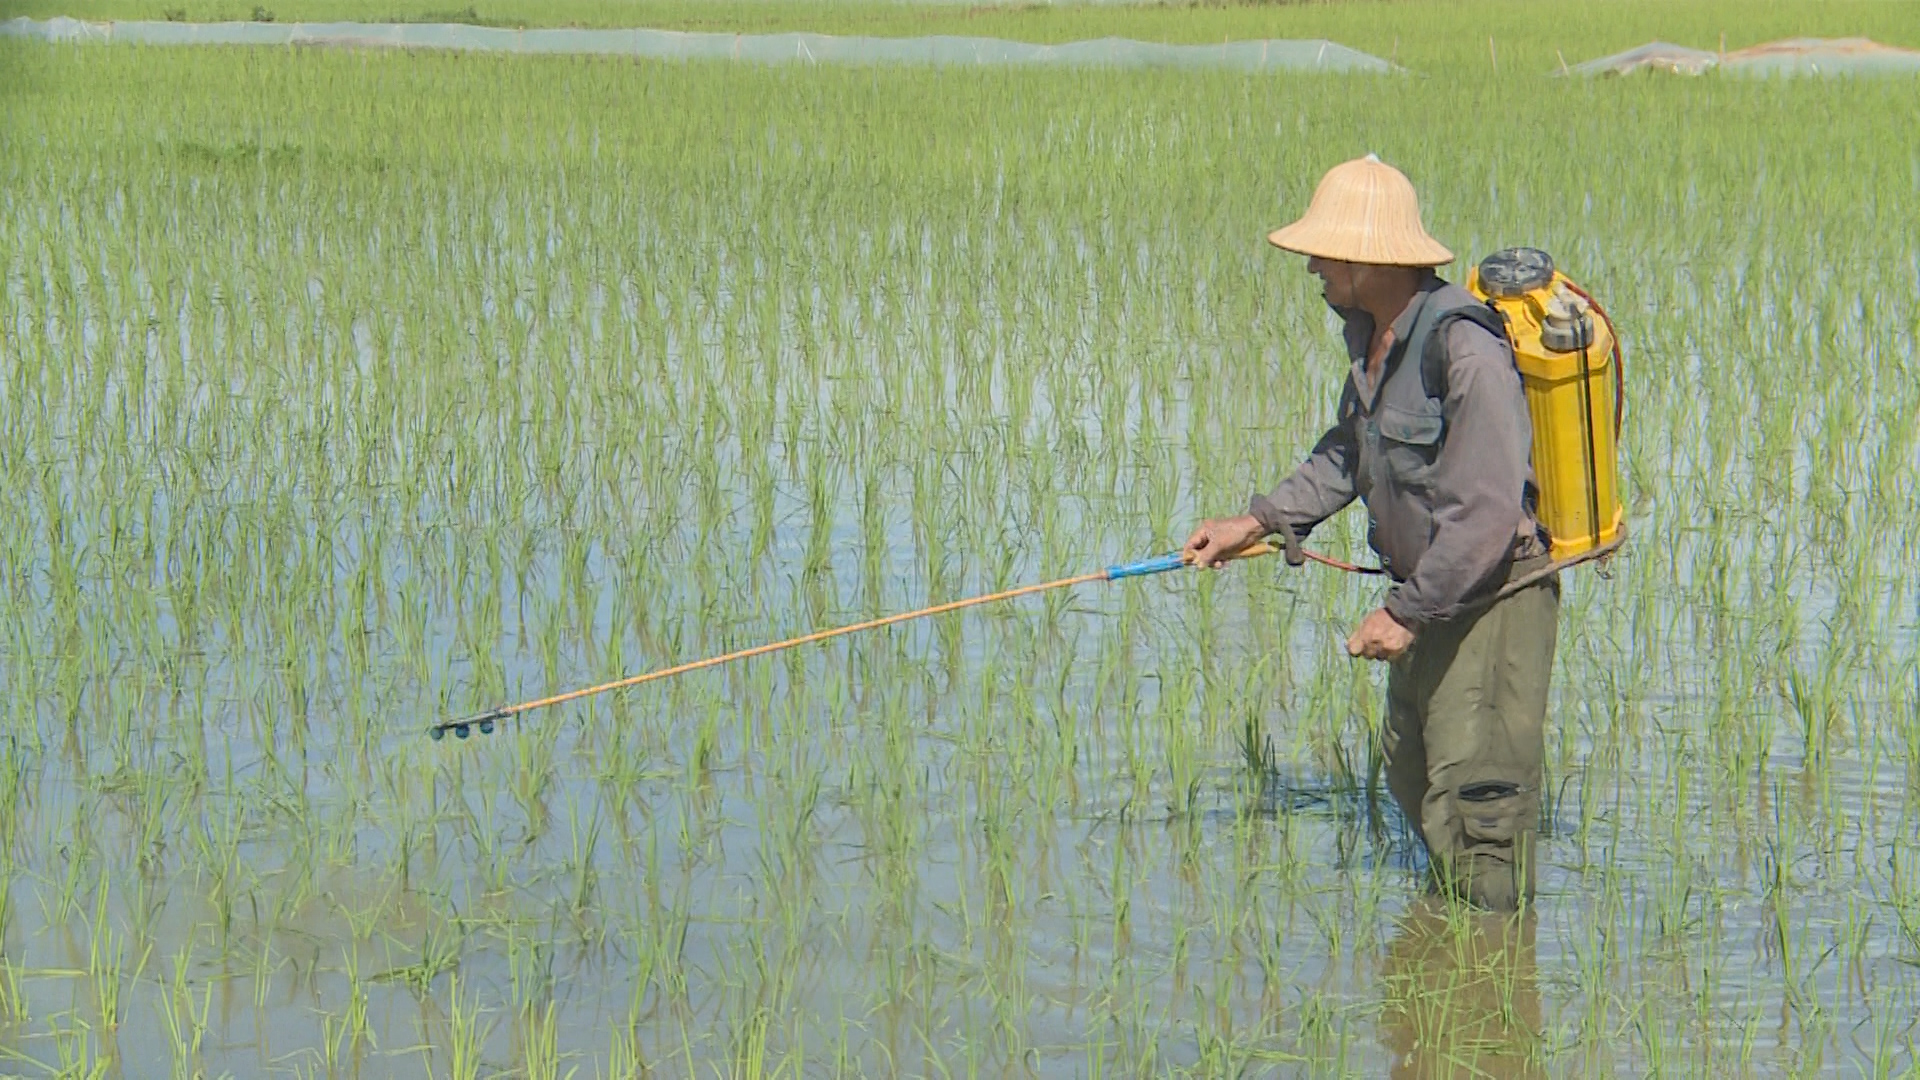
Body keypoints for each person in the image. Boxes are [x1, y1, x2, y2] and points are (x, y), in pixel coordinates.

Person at [1182, 155, 1557, 913]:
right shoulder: (1375, 340)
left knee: (1477, 805)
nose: (1313, 266)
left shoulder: (1466, 350)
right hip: (1434, 595)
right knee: (1411, 771)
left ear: (1366, 256)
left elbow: (1486, 513)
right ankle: (1443, 969)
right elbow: (1350, 454)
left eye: (1323, 252)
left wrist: (1403, 613)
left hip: (1492, 600)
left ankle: (1493, 982)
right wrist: (1251, 522)